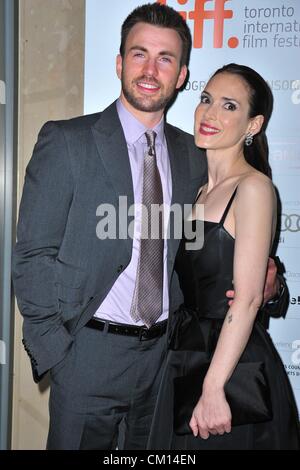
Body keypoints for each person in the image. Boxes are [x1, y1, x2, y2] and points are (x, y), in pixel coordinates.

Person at [12, 3, 286, 450]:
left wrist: (272, 287)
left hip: (167, 363)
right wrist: (57, 355)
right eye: (139, 54)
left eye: (166, 59)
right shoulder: (67, 142)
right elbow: (31, 255)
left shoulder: (197, 156)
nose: (150, 69)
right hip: (87, 358)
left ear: (180, 76)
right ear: (120, 63)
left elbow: (221, 256)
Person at [147, 63, 300, 450]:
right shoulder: (196, 188)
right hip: (183, 355)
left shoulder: (253, 188)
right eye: (206, 99)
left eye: (229, 106)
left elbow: (247, 299)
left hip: (230, 367)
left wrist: (214, 388)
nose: (210, 113)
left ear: (253, 125)